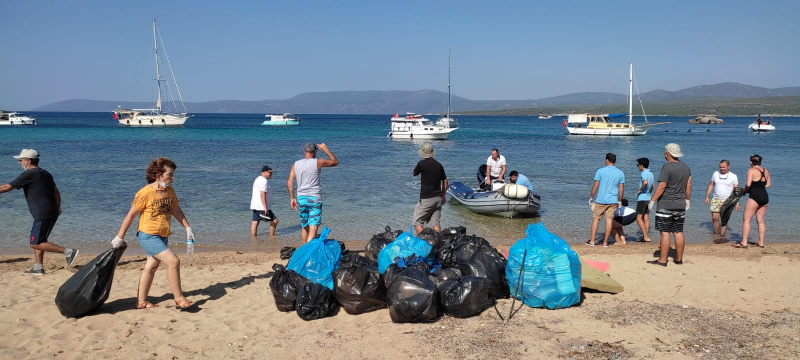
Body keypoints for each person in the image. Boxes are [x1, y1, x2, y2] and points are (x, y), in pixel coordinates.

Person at [110, 157, 194, 309]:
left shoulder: (170, 191)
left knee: (151, 267)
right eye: (169, 175)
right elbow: (130, 216)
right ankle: (179, 299)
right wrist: (119, 237)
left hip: (163, 236)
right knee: (173, 261)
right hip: (148, 236)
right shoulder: (145, 193)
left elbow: (175, 210)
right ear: (158, 175)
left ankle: (141, 301)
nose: (173, 178)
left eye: (173, 174)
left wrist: (188, 228)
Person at [0, 149, 79, 275]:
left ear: (28, 160)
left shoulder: (29, 174)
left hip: (43, 212)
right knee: (41, 240)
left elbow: (7, 187)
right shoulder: (45, 173)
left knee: (35, 243)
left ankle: (69, 252)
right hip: (51, 210)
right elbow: (56, 191)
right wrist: (58, 206)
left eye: (21, 160)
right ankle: (38, 267)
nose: (19, 162)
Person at [648, 143, 692, 266]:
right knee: (678, 231)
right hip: (680, 204)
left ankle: (663, 260)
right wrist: (687, 200)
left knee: (665, 231)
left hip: (666, 204)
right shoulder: (686, 167)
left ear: (667, 153)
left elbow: (662, 185)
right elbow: (689, 185)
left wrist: (652, 200)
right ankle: (678, 259)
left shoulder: (667, 167)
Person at [287, 143, 339, 244]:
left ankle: (304, 248)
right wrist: (325, 149)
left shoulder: (295, 164)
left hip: (301, 198)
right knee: (313, 226)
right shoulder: (317, 162)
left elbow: (289, 183)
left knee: (304, 226)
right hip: (314, 198)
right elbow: (335, 162)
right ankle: (308, 250)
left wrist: (292, 198)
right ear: (314, 152)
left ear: (304, 151)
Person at [587, 153, 625, 247]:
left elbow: (596, 186)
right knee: (609, 220)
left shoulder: (600, 171)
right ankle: (605, 242)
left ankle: (592, 241)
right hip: (613, 200)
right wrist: (620, 200)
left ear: (607, 160)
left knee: (596, 219)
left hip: (601, 199)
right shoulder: (620, 173)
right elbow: (621, 189)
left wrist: (591, 197)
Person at [412, 143, 448, 235]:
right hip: (438, 198)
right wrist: (443, 195)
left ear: (423, 153)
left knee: (417, 222)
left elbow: (414, 173)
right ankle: (438, 242)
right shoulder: (439, 165)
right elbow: (445, 181)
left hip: (427, 198)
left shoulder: (421, 164)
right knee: (436, 223)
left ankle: (424, 241)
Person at [736, 155, 770, 248]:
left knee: (747, 220)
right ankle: (761, 242)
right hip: (764, 196)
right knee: (761, 221)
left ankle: (744, 242)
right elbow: (768, 184)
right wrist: (760, 187)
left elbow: (748, 184)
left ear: (751, 162)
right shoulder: (766, 171)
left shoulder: (751, 170)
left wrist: (745, 190)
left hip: (754, 197)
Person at [704, 160, 739, 237]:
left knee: (724, 219)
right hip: (716, 199)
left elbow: (736, 190)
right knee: (715, 218)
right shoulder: (715, 174)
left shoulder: (733, 176)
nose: (721, 169)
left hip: (728, 200)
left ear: (728, 167)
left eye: (723, 167)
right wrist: (707, 196)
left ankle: (722, 235)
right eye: (720, 167)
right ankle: (716, 234)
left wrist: (737, 202)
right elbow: (711, 185)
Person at [251, 165, 278, 237]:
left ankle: (253, 239)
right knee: (275, 221)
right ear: (264, 172)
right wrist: (265, 208)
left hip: (255, 205)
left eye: (271, 172)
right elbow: (262, 194)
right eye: (270, 172)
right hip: (262, 207)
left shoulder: (258, 179)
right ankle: (272, 237)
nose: (271, 174)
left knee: (255, 222)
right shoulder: (264, 181)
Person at [634, 158, 654, 242]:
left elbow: (645, 182)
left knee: (638, 218)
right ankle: (645, 236)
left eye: (638, 165)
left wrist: (640, 190)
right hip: (648, 197)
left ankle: (646, 236)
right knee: (646, 218)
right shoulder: (651, 173)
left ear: (641, 165)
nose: (638, 167)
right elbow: (653, 186)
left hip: (642, 198)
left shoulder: (644, 173)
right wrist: (649, 192)